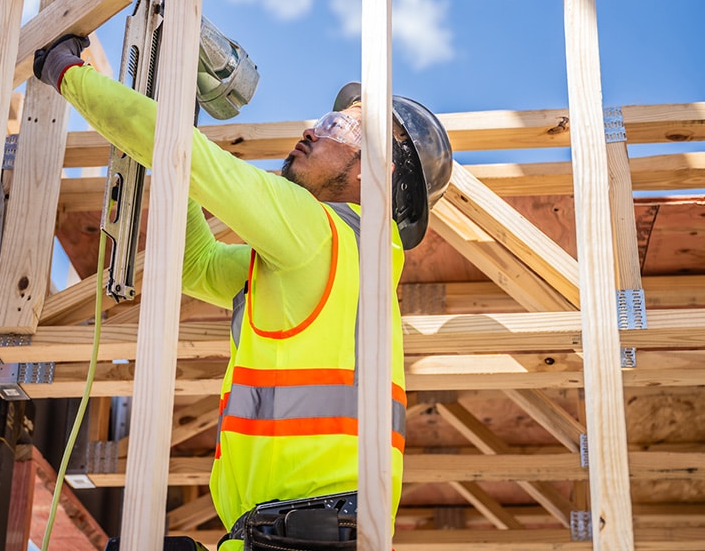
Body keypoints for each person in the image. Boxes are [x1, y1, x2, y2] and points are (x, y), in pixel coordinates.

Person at [35, 33, 453, 551]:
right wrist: (176, 130)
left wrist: (65, 71)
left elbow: (187, 157)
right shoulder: (349, 259)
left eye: (336, 126)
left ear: (376, 169)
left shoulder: (320, 232)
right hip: (285, 537)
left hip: (300, 536)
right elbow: (198, 265)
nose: (310, 129)